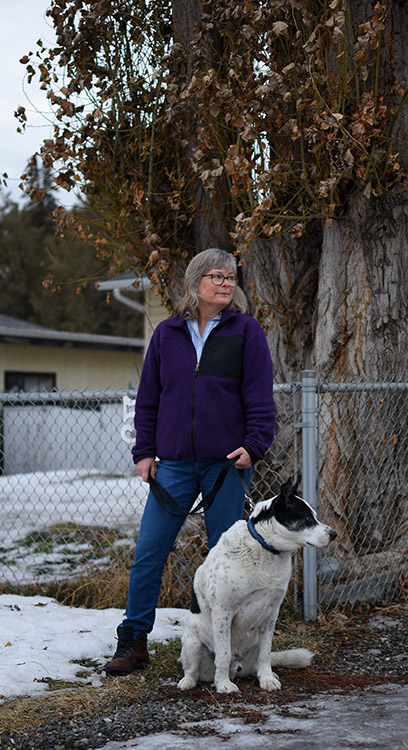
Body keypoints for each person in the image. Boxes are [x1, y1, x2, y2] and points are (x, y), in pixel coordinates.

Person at [103, 247, 276, 676]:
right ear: (195, 281)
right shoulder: (166, 335)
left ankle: (229, 649)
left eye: (231, 277)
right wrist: (144, 452)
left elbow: (259, 396)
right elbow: (149, 399)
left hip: (226, 466)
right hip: (174, 465)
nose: (226, 283)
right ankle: (134, 641)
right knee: (148, 552)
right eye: (216, 276)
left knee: (228, 560)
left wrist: (254, 446)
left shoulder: (246, 331)